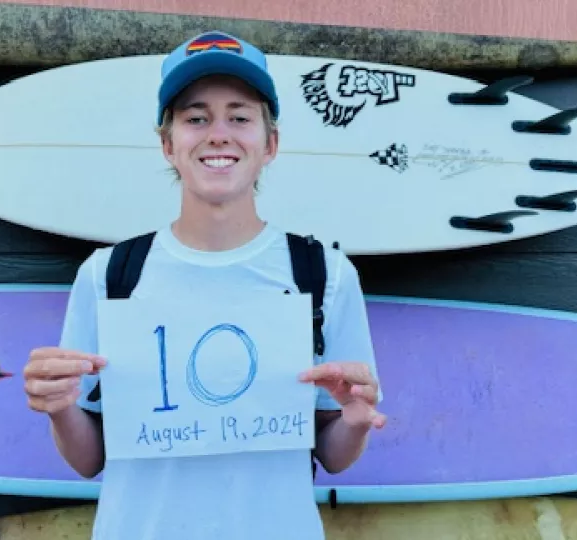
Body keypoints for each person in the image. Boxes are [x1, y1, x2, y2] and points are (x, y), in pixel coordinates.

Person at [23, 30, 386, 539]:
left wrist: (354, 418)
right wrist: (60, 408)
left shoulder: (325, 275)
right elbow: (89, 460)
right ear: (169, 144)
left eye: (239, 117)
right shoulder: (109, 274)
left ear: (270, 144)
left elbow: (334, 456)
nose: (219, 134)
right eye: (196, 117)